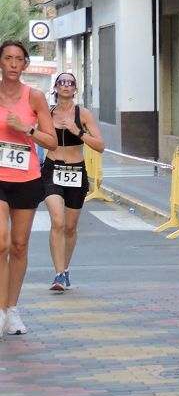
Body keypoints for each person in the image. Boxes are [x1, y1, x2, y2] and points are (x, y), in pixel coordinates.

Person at [0, 39, 57, 337]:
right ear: (0, 62)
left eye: (17, 59)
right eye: (7, 58)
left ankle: (12, 310)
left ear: (25, 65)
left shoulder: (34, 97)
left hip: (25, 178)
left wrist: (27, 129)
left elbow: (52, 142)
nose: (12, 63)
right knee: (1, 242)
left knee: (20, 246)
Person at [42, 71, 105, 292]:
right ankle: (58, 274)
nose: (66, 85)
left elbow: (100, 145)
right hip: (52, 169)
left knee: (70, 227)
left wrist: (77, 131)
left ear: (75, 88)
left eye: (70, 83)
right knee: (57, 221)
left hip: (76, 171)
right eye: (62, 82)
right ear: (56, 88)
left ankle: (65, 269)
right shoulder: (47, 113)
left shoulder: (84, 114)